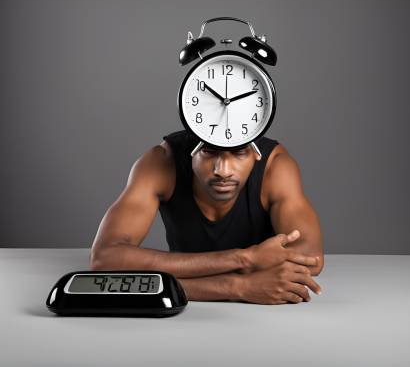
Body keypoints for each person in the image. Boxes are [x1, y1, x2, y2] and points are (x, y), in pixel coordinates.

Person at [90, 129, 324, 305]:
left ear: (255, 153)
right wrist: (240, 278)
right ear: (191, 149)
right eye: (209, 151)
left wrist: (183, 282)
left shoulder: (276, 166)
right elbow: (105, 259)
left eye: (239, 152)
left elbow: (310, 258)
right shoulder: (161, 162)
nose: (223, 170)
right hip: (181, 317)